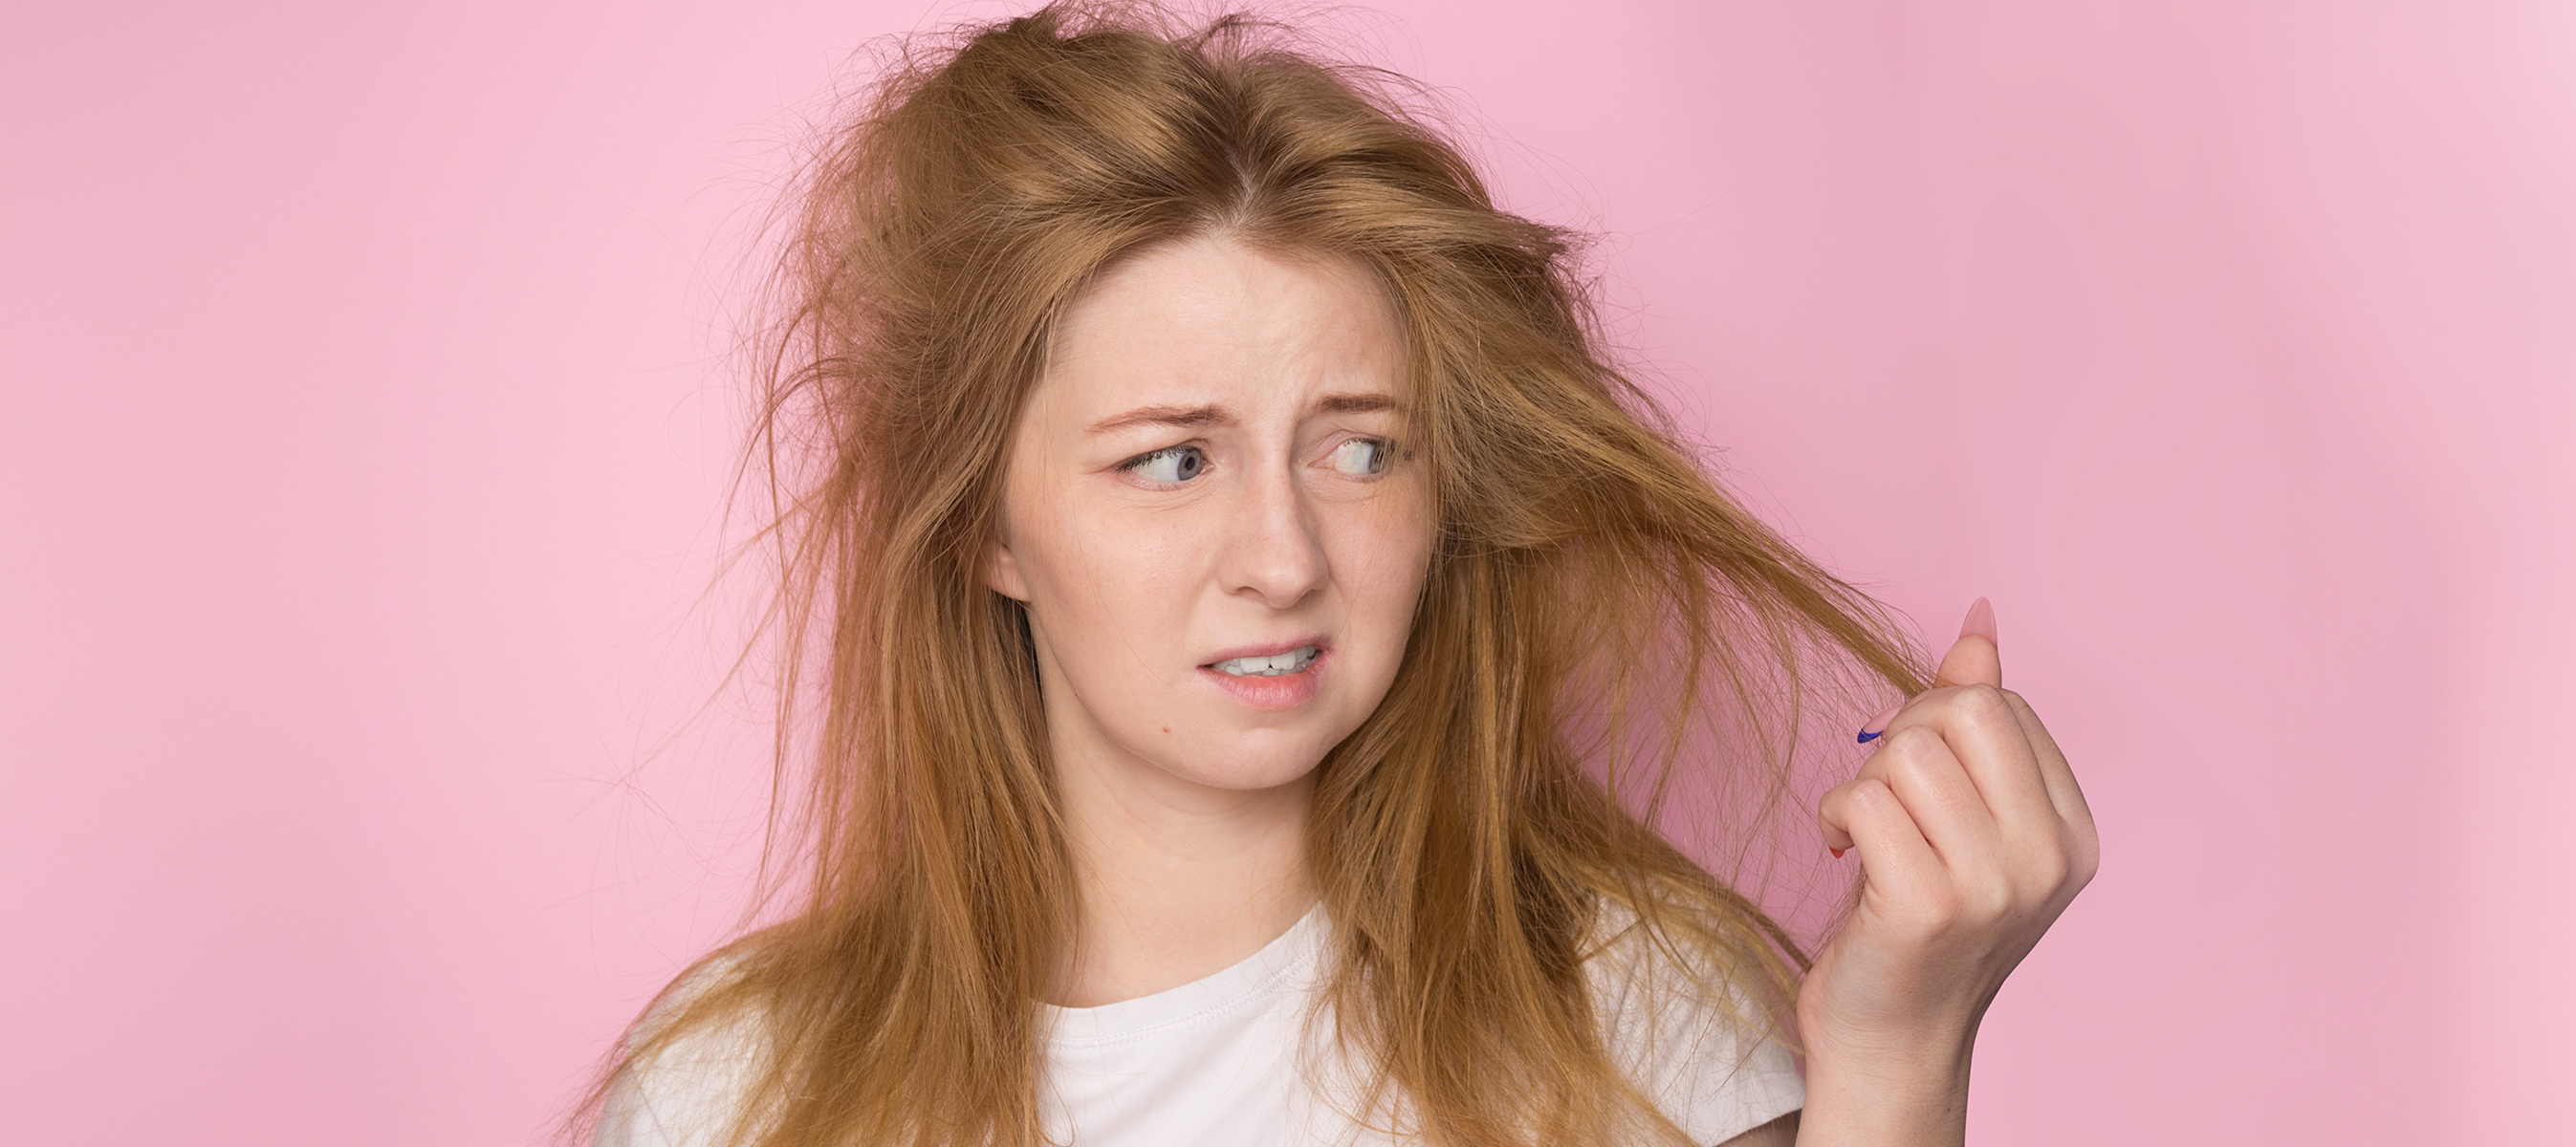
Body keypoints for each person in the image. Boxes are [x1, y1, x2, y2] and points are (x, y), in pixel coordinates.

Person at [585, 5, 2098, 1146]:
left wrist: (1901, 1057)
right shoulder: (730, 1090)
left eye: (1359, 450)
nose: (1281, 559)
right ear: (986, 529)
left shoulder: (1637, 1014)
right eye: (1171, 459)